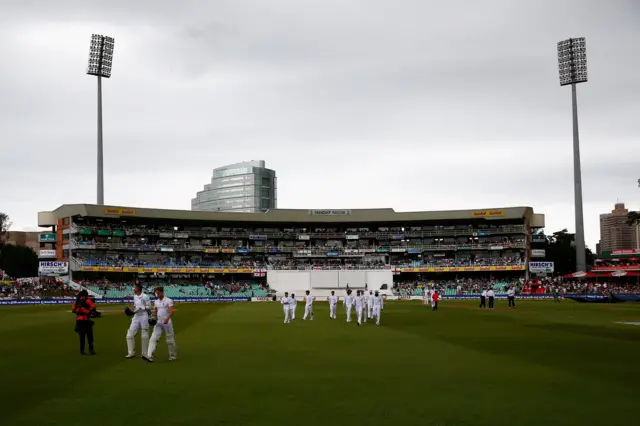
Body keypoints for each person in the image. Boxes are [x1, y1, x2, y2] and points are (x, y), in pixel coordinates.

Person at [144, 286, 177, 362]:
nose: (157, 294)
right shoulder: (156, 302)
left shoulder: (168, 300)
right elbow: (155, 313)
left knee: (169, 340)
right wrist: (152, 317)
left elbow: (171, 311)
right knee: (153, 338)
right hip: (158, 322)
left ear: (162, 292)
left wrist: (167, 318)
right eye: (156, 293)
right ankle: (149, 356)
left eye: (158, 293)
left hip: (167, 322)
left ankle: (172, 355)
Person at [126, 283, 151, 359]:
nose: (134, 289)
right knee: (129, 335)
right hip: (136, 316)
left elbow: (149, 307)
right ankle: (131, 353)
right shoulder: (135, 296)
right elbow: (135, 305)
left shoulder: (145, 296)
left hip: (144, 316)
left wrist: (141, 309)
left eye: (135, 288)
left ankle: (144, 353)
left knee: (144, 335)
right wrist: (132, 309)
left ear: (138, 289)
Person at [72, 290, 96, 355]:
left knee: (81, 337)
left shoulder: (76, 301)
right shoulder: (87, 300)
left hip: (79, 321)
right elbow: (93, 307)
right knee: (90, 336)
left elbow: (73, 310)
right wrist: (90, 312)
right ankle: (91, 350)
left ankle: (81, 351)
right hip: (86, 320)